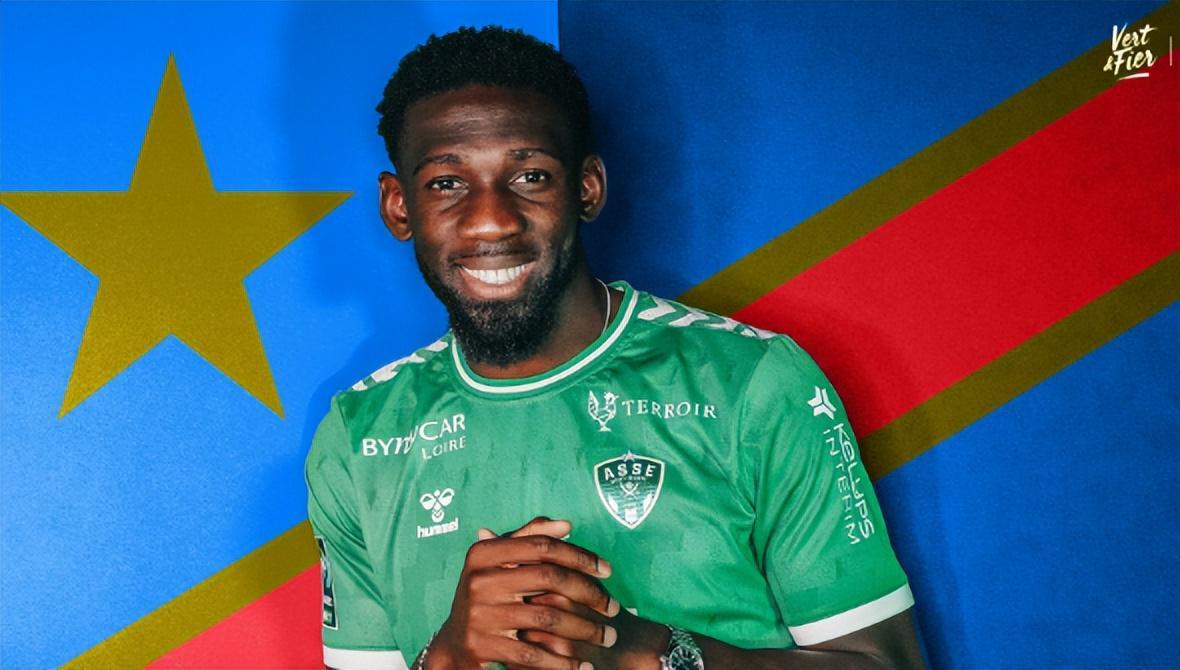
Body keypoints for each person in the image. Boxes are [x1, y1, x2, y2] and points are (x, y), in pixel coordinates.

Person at [306, 25, 925, 670]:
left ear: (587, 188)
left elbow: (888, 665)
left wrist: (639, 649)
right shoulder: (359, 437)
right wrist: (448, 658)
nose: (491, 219)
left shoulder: (753, 384)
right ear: (398, 206)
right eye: (446, 183)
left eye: (530, 176)